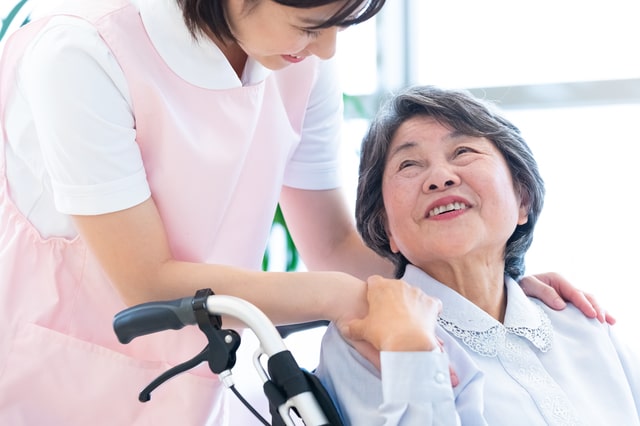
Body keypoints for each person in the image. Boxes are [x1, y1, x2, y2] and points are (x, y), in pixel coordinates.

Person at [0, 0, 610, 424]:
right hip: (53, 375)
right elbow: (146, 282)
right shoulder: (81, 51)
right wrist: (353, 302)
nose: (327, 48)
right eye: (311, 24)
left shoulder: (298, 58)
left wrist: (484, 283)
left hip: (190, 384)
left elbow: (335, 247)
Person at [315, 85, 640, 425]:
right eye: (409, 164)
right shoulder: (363, 340)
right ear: (387, 230)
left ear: (523, 200)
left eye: (463, 151)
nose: (440, 178)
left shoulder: (585, 326)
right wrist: (410, 352)